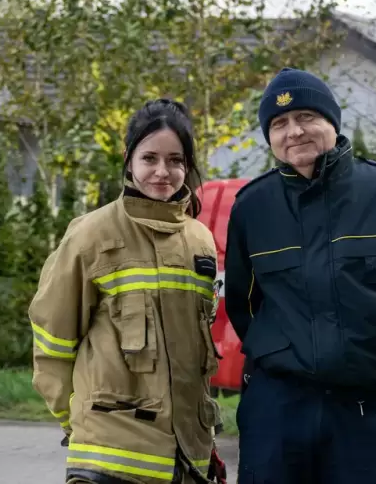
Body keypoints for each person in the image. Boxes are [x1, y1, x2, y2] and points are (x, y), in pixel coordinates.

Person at [223, 67, 376, 484]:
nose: (294, 131)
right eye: (279, 123)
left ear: (332, 121)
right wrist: (283, 351)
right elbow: (244, 304)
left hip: (368, 411)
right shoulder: (251, 208)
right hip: (278, 411)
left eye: (306, 117)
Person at [28, 99, 228, 484]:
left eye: (175, 160)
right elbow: (52, 343)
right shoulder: (90, 235)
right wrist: (79, 421)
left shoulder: (200, 241)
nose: (162, 171)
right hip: (107, 460)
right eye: (149, 158)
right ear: (128, 159)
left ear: (188, 165)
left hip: (189, 460)